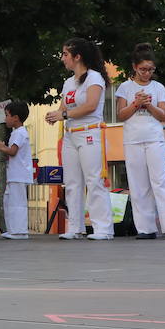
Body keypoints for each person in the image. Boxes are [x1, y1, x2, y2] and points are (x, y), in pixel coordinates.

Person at [45, 37, 113, 241]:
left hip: (90, 132)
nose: (62, 58)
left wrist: (63, 115)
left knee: (94, 180)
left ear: (77, 56)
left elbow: (91, 105)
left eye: (65, 54)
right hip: (70, 135)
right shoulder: (68, 82)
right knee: (72, 182)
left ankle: (103, 228)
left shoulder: (94, 78)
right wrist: (55, 114)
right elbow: (65, 107)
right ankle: (75, 226)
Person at [115, 44, 165, 240]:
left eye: (151, 70)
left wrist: (148, 104)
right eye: (143, 69)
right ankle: (145, 227)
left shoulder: (158, 87)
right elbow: (121, 114)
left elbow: (163, 115)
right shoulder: (124, 87)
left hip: (154, 139)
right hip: (133, 140)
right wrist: (136, 103)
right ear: (135, 67)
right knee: (138, 184)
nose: (147, 73)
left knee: (161, 181)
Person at [0, 100, 32, 239]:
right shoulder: (16, 133)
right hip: (14, 174)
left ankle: (20, 231)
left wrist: (1, 147)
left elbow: (13, 151)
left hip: (19, 175)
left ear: (15, 118)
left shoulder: (20, 133)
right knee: (9, 202)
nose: (5, 118)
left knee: (17, 203)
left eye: (7, 115)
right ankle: (13, 229)